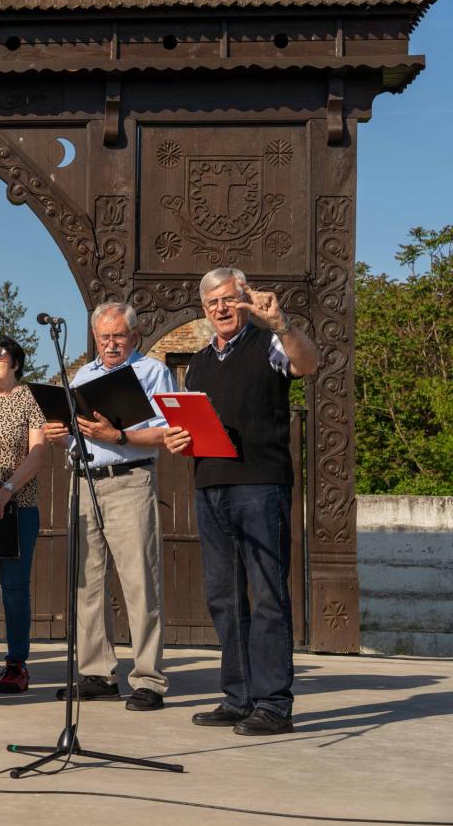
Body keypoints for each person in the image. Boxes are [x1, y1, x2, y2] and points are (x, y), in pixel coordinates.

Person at [165, 267, 319, 735]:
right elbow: (197, 426)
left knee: (268, 593)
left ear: (246, 298)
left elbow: (308, 364)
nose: (221, 308)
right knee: (224, 597)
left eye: (229, 298)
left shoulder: (269, 342)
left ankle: (273, 703)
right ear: (204, 309)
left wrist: (282, 323)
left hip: (260, 484)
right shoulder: (198, 363)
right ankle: (239, 696)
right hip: (210, 484)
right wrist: (179, 439)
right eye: (212, 302)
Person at [43, 302, 176, 711]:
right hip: (85, 481)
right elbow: (79, 437)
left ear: (134, 336)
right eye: (104, 337)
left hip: (129, 481)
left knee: (139, 582)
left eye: (119, 336)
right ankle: (97, 673)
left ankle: (148, 679)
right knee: (88, 583)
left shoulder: (153, 372)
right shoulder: (84, 375)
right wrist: (60, 436)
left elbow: (168, 432)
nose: (112, 344)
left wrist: (118, 436)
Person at [0, 335, 48, 694]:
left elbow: (37, 454)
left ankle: (16, 663)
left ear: (16, 363)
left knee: (14, 589)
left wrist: (5, 492)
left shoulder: (30, 398)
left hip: (18, 505)